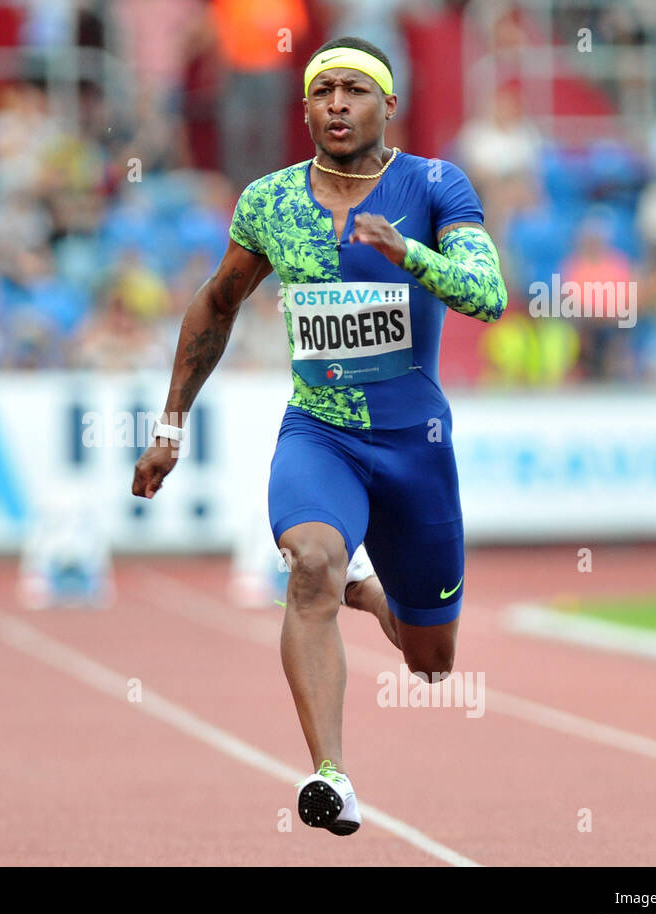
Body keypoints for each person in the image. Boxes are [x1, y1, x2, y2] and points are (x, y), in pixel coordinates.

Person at [132, 36, 506, 836]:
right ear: (305, 108)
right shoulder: (270, 202)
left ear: (388, 105)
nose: (337, 103)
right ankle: (331, 776)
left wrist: (406, 251)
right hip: (320, 434)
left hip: (415, 446)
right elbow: (216, 303)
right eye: (322, 91)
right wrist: (170, 424)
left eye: (354, 90)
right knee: (309, 564)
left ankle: (367, 590)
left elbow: (489, 295)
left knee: (430, 661)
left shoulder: (436, 185)